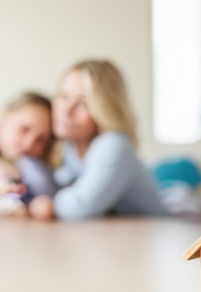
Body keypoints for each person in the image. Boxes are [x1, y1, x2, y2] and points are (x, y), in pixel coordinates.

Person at [29, 59, 168, 220]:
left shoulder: (115, 144)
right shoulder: (69, 148)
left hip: (155, 232)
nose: (66, 110)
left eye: (83, 103)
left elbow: (81, 206)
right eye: (63, 96)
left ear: (105, 108)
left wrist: (51, 203)